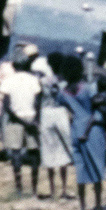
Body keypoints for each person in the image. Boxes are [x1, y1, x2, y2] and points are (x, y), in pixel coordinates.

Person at [57, 59, 106, 210]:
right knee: (97, 169)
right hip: (92, 132)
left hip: (76, 131)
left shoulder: (63, 92)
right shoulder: (88, 88)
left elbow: (65, 107)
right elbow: (95, 111)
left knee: (81, 172)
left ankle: (83, 208)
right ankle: (98, 205)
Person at [0, 57, 42, 196]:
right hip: (31, 118)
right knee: (34, 152)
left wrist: (20, 120)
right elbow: (37, 103)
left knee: (16, 153)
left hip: (15, 120)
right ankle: (34, 189)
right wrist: (34, 120)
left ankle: (19, 188)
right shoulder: (34, 80)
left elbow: (6, 106)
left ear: (14, 67)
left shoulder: (8, 81)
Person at [35, 52, 72, 200]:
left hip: (46, 113)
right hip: (61, 112)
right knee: (64, 150)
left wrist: (37, 118)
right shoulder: (65, 83)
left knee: (48, 149)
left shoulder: (42, 81)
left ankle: (52, 190)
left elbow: (38, 101)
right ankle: (63, 189)